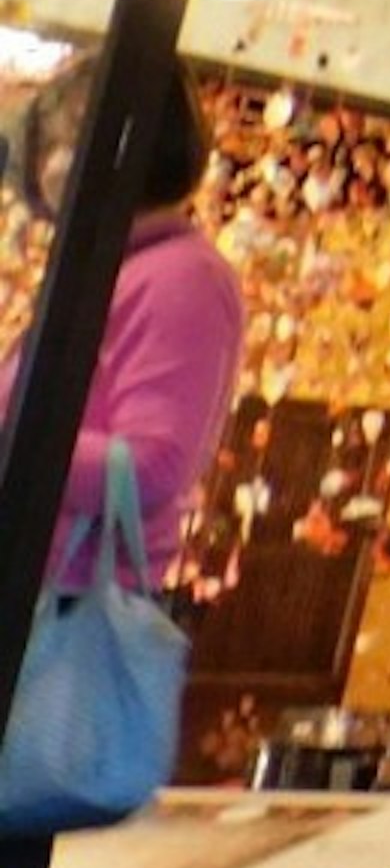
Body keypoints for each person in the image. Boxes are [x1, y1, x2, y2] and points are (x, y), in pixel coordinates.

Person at [0, 59, 242, 594]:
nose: (53, 162)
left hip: (58, 615)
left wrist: (12, 436)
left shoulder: (182, 276)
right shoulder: (112, 271)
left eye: (68, 134)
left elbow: (150, 471)